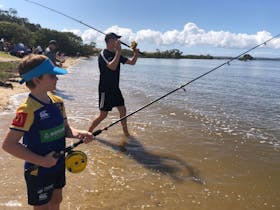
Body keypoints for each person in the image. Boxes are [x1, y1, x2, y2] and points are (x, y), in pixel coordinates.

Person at [1, 54, 94, 210]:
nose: (57, 78)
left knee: (57, 200)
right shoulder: (27, 110)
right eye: (52, 75)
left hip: (58, 164)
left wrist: (79, 133)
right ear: (37, 80)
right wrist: (42, 161)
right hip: (38, 170)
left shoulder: (58, 102)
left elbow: (66, 129)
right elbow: (8, 145)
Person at [88, 32, 139, 138]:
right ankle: (88, 133)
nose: (118, 41)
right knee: (103, 115)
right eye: (116, 39)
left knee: (123, 109)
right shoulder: (104, 53)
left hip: (115, 88)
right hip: (105, 89)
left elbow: (132, 63)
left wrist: (135, 54)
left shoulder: (117, 53)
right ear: (110, 40)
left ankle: (126, 133)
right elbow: (112, 67)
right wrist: (119, 51)